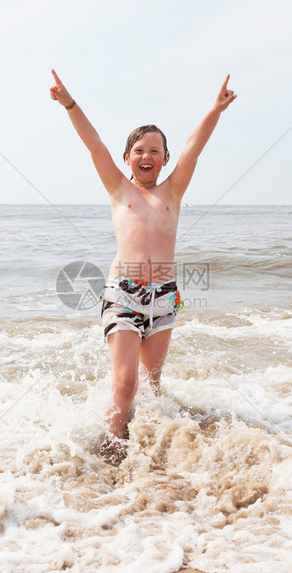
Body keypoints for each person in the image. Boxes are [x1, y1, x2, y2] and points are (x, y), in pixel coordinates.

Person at [49, 69, 237, 463]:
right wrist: (69, 103)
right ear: (127, 159)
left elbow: (194, 148)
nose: (146, 156)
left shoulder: (174, 190)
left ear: (165, 159)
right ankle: (110, 454)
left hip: (165, 299)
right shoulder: (119, 190)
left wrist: (216, 110)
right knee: (126, 382)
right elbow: (94, 144)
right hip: (123, 295)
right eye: (138, 150)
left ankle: (145, 451)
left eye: (155, 151)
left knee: (150, 386)